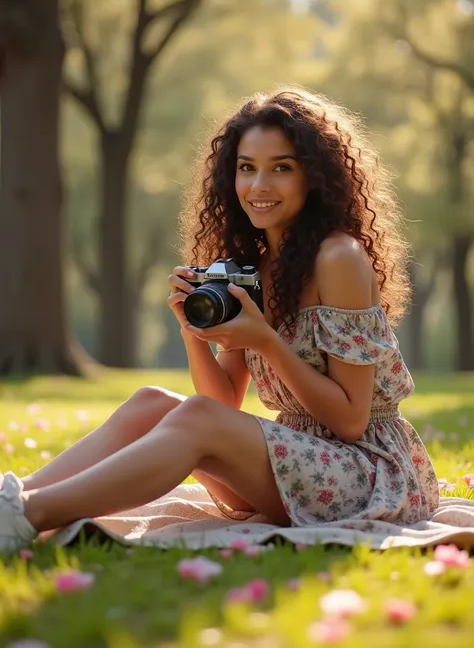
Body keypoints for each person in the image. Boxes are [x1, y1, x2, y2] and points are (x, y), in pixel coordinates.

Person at [0, 87, 439, 553]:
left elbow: (351, 420)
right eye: (246, 168)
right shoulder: (256, 266)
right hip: (299, 461)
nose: (258, 186)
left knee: (195, 418)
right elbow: (222, 401)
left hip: (370, 473)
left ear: (314, 176)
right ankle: (17, 498)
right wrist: (194, 332)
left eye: (281, 168)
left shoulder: (339, 257)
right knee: (153, 402)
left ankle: (29, 516)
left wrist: (266, 342)